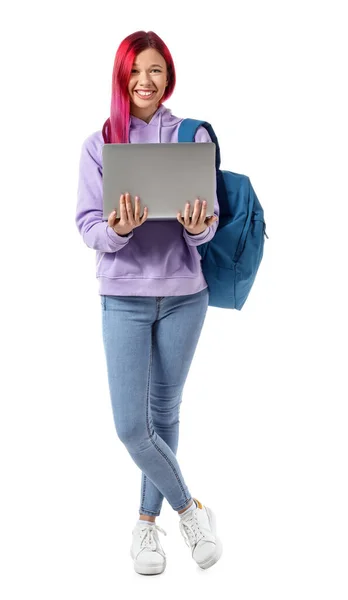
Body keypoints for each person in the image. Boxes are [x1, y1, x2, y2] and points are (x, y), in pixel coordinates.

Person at [75, 30, 222, 575]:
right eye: (136, 71)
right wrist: (117, 231)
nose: (145, 81)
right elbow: (88, 225)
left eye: (155, 70)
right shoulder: (100, 144)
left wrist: (198, 226)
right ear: (122, 76)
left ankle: (145, 527)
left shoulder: (192, 135)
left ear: (169, 75)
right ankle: (190, 510)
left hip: (186, 297)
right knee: (131, 427)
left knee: (164, 413)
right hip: (124, 299)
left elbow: (208, 226)